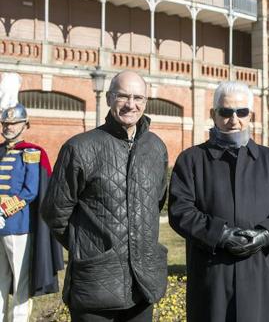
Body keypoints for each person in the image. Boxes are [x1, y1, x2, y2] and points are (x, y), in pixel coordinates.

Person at [168, 81, 269, 322]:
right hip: (212, 274)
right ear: (213, 114)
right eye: (226, 112)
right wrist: (220, 234)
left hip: (257, 272)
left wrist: (266, 234)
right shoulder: (192, 160)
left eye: (241, 112)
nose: (234, 119)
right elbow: (180, 210)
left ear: (251, 115)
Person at [43, 71, 169, 322]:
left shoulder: (156, 147)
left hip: (143, 284)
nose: (130, 104)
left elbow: (157, 202)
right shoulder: (79, 148)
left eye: (138, 97)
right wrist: (86, 247)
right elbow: (55, 211)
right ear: (110, 98)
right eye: (122, 96)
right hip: (95, 285)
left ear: (145, 102)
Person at [0, 103, 63, 322]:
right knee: (0, 281)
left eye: (14, 123)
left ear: (25, 125)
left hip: (18, 226)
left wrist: (3, 211)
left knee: (20, 283)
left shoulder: (31, 153)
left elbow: (30, 192)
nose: (9, 127)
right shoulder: (0, 151)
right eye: (5, 123)